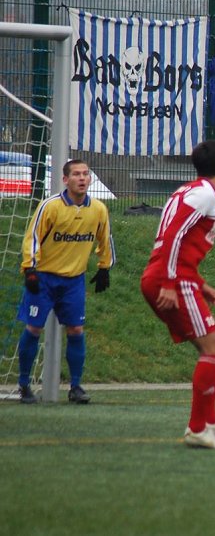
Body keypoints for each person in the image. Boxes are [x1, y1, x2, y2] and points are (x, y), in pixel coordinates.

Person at [140, 141, 215, 449]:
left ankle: (210, 421)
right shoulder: (205, 194)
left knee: (214, 347)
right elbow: (172, 236)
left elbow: (180, 243)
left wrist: (199, 283)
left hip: (177, 277)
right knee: (213, 347)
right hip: (171, 279)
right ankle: (198, 428)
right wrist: (170, 282)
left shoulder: (190, 190)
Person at [15, 159, 114, 404]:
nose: (82, 178)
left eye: (85, 174)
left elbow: (105, 238)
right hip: (44, 278)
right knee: (34, 328)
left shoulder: (98, 209)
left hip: (73, 281)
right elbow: (32, 237)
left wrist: (104, 267)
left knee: (76, 330)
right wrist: (30, 269)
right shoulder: (50, 206)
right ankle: (24, 385)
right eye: (76, 174)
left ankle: (76, 387)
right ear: (65, 179)